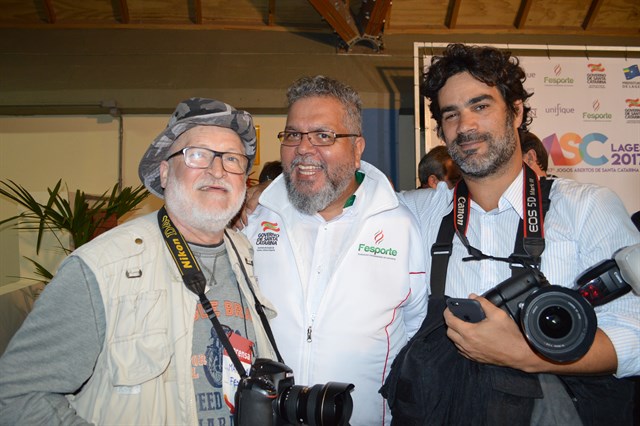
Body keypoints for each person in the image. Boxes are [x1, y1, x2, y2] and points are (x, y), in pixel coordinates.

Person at [390, 44, 640, 424]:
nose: (466, 126)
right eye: (451, 114)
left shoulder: (587, 207)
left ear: (517, 111)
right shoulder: (418, 213)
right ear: (440, 129)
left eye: (480, 106)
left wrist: (526, 354)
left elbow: (635, 333)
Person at [0, 98, 280, 425]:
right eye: (197, 155)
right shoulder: (102, 268)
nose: (217, 170)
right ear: (165, 173)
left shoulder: (244, 253)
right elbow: (17, 396)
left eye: (232, 159)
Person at [242, 75, 428, 425]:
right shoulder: (253, 218)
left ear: (357, 148)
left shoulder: (400, 225)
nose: (303, 148)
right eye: (293, 134)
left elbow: (417, 329)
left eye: (323, 135)